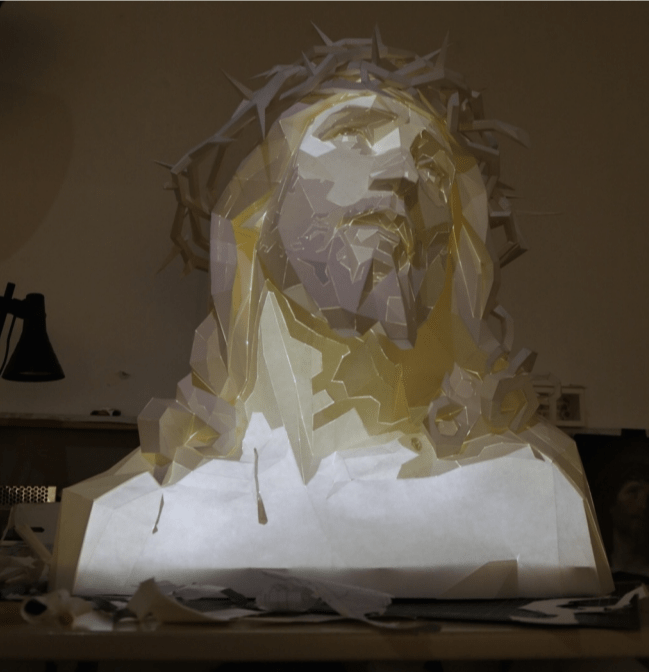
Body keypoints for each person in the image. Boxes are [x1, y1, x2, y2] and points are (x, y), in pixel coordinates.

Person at [52, 29, 613, 598]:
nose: (403, 174)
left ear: (455, 257)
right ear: (259, 211)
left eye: (433, 168)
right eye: (353, 136)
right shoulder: (136, 518)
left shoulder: (534, 499)